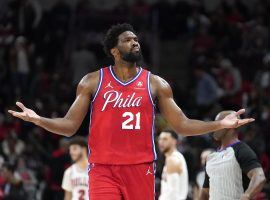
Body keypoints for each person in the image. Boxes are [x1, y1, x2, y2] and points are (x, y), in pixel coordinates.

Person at [8, 23, 254, 200]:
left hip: (141, 167)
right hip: (103, 168)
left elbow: (182, 125)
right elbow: (70, 126)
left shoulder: (156, 83)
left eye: (136, 39)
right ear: (114, 50)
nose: (135, 42)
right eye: (127, 39)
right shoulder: (92, 81)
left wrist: (219, 125)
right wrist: (38, 119)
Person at [199, 111, 266, 200]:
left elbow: (260, 176)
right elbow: (205, 192)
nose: (214, 126)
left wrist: (247, 196)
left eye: (218, 122)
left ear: (231, 125)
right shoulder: (211, 157)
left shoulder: (242, 150)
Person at [158, 130, 188, 200]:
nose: (161, 142)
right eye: (160, 139)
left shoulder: (173, 159)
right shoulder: (172, 158)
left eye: (165, 139)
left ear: (174, 141)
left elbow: (173, 192)